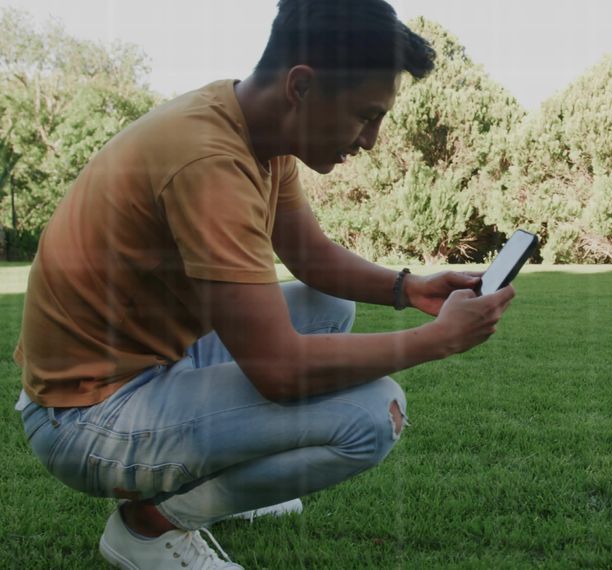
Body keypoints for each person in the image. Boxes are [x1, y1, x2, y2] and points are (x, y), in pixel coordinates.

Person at [13, 0, 515, 567]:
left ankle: (216, 484)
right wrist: (438, 340)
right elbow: (277, 370)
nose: (371, 139)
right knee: (375, 415)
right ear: (301, 86)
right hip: (85, 416)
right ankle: (151, 526)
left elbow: (312, 257)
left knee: (328, 306)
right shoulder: (208, 162)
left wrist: (410, 287)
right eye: (364, 115)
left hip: (141, 367)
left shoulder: (249, 129)